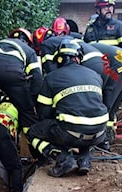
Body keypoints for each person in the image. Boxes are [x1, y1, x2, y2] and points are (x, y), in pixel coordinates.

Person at [26, 38, 108, 176]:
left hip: (71, 134)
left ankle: (63, 159)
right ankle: (84, 160)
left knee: (32, 132)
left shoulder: (52, 77)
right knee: (86, 124)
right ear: (78, 58)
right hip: (99, 133)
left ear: (58, 59)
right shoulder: (95, 75)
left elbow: (44, 113)